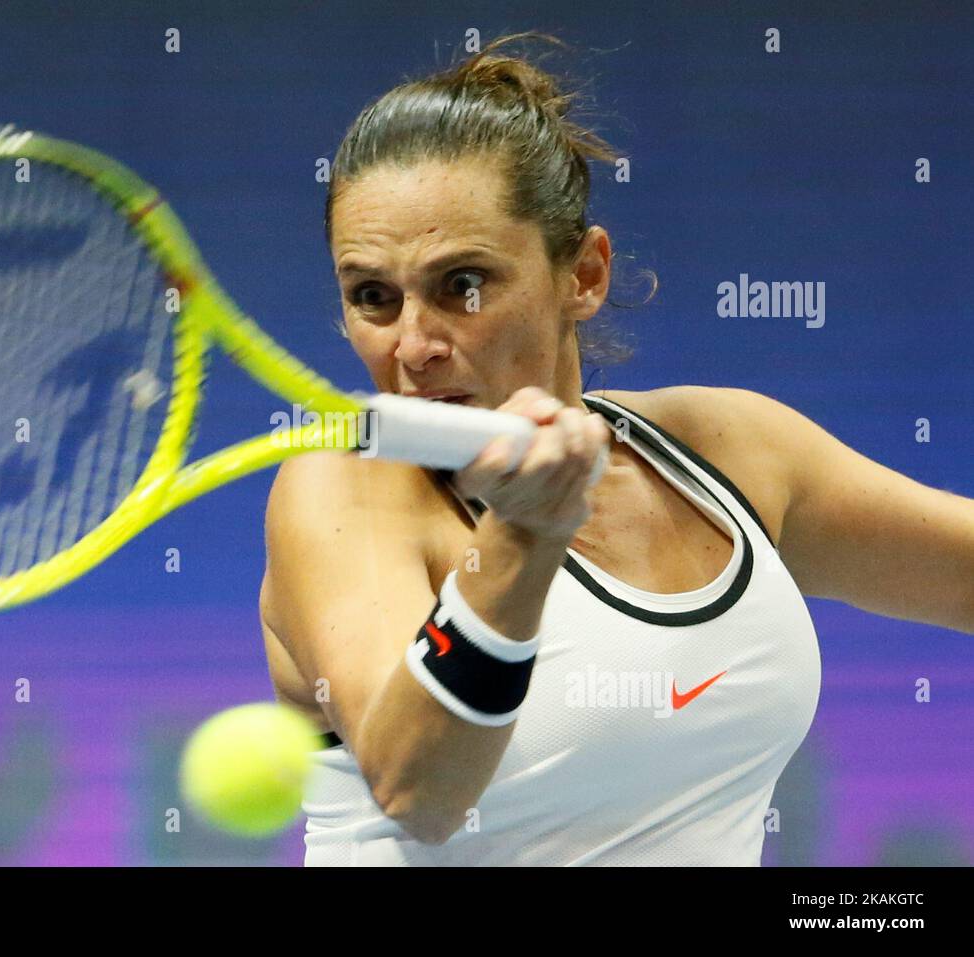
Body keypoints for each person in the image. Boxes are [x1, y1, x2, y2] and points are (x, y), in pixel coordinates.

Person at [258, 32, 974, 865]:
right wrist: (523, 537)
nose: (414, 343)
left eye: (464, 284)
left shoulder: (733, 449)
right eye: (373, 296)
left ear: (584, 276)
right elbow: (419, 790)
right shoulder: (343, 490)